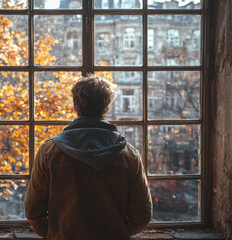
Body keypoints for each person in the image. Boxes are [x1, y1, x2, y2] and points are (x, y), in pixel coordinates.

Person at [24, 75, 152, 240]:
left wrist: (58, 233)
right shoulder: (128, 155)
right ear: (106, 109)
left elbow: (34, 211)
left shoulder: (49, 152)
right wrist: (117, 231)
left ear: (75, 108)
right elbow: (142, 214)